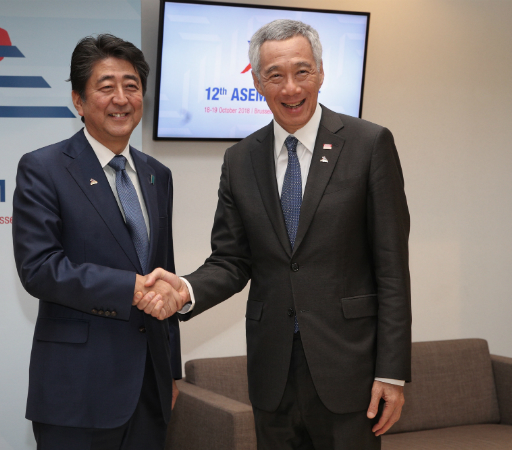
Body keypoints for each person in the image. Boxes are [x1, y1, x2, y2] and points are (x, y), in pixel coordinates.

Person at [136, 19, 411, 450]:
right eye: (274, 76)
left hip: (349, 368)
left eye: (302, 71)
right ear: (258, 85)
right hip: (272, 370)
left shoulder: (368, 144)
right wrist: (184, 289)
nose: (290, 88)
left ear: (320, 73)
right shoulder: (241, 158)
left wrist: (391, 373)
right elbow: (231, 260)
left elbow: (391, 267)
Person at [12, 34, 184, 450]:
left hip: (150, 386)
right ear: (78, 100)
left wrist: (172, 370)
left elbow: (165, 271)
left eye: (131, 85)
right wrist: (128, 288)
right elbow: (39, 269)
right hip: (78, 391)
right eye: (106, 87)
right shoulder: (44, 168)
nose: (121, 98)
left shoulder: (156, 174)